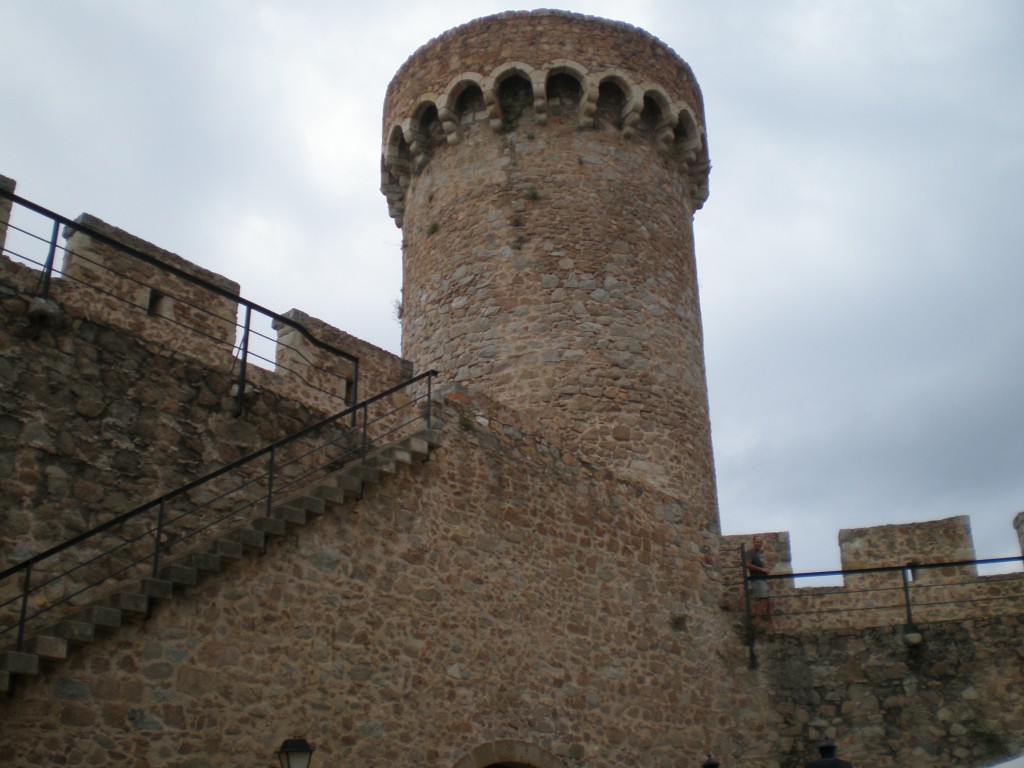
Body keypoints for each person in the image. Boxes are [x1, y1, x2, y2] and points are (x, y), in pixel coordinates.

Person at [745, 535, 776, 630]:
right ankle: (756, 622)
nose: (759, 544)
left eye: (760, 542)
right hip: (757, 579)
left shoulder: (758, 554)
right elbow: (747, 565)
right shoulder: (750, 552)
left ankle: (772, 623)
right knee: (764, 600)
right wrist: (762, 570)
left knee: (770, 602)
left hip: (762, 580)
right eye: (757, 542)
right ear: (753, 542)